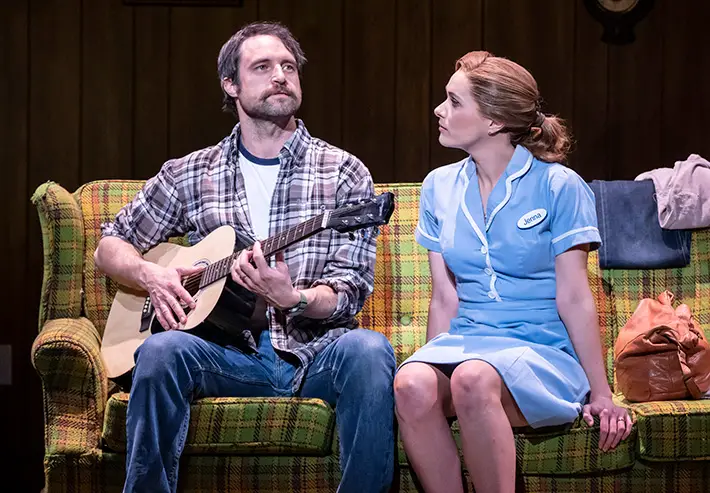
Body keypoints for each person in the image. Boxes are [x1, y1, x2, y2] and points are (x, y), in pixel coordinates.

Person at [94, 21, 395, 493]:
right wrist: (152, 275)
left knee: (370, 349)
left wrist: (292, 297)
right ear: (230, 85)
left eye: (288, 66)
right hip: (226, 354)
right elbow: (110, 243)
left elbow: (349, 292)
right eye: (262, 67)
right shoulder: (190, 173)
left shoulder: (343, 172)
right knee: (158, 350)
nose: (280, 75)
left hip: (313, 354)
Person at [393, 51, 633, 493]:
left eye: (454, 101)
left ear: (494, 122)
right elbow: (444, 297)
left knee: (472, 377)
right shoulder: (438, 187)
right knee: (410, 384)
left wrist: (602, 392)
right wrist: (430, 367)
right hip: (466, 343)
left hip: (541, 351)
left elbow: (575, 297)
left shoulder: (558, 185)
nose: (439, 110)